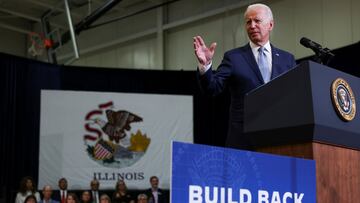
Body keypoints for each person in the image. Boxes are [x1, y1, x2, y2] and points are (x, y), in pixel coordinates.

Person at [193, 3, 296, 150]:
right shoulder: (234, 57)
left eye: (257, 21)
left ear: (271, 25)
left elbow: (295, 98)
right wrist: (206, 65)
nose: (252, 25)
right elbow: (212, 88)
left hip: (280, 138)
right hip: (243, 140)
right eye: (248, 22)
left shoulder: (287, 59)